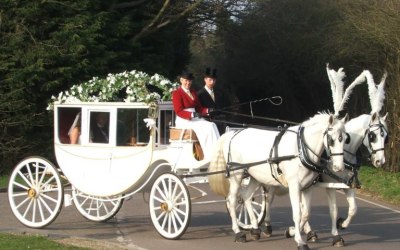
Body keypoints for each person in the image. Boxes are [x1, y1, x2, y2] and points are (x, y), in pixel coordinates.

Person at [172, 71, 220, 160]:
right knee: (207, 127)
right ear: (181, 80)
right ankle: (209, 155)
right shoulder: (176, 93)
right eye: (186, 80)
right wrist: (192, 114)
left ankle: (217, 153)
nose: (188, 83)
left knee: (212, 125)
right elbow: (178, 111)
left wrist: (208, 110)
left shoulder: (193, 92)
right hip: (184, 120)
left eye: (190, 81)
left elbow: (199, 108)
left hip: (195, 118)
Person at [197, 67, 227, 134]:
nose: (212, 82)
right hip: (207, 123)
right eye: (210, 80)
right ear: (205, 79)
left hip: (220, 123)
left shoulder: (219, 93)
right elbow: (199, 110)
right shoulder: (200, 94)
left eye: (214, 80)